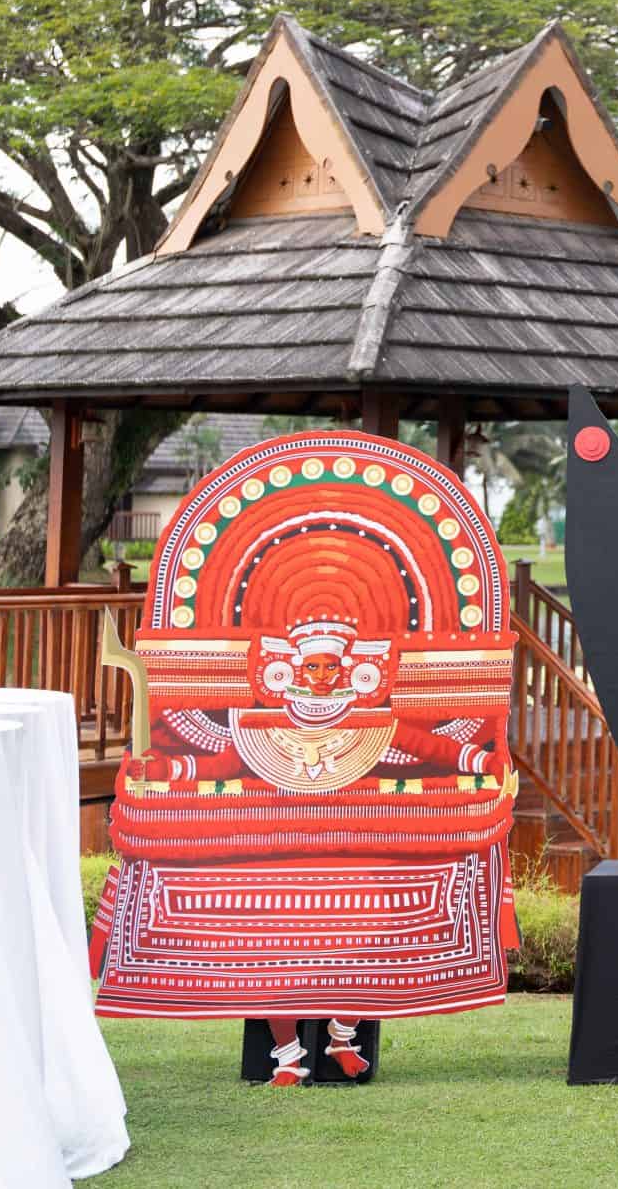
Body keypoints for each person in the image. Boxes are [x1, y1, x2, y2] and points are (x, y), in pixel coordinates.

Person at [91, 432, 517, 1085]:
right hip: (277, 858)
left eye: (332, 665)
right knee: (277, 951)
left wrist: (478, 758)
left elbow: (428, 746)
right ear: (289, 665)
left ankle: (345, 1035)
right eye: (312, 664)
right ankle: (288, 1054)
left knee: (361, 941)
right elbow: (223, 763)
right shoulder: (260, 725)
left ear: (352, 665)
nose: (321, 676)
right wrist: (168, 770)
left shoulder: (376, 720)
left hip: (358, 858)